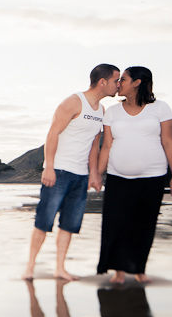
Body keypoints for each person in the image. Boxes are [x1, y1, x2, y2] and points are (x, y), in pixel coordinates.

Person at [23, 64, 120, 281]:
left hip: (80, 177)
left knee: (70, 223)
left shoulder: (101, 111)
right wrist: (48, 166)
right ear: (102, 82)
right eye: (116, 80)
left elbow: (94, 144)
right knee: (44, 221)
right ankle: (30, 267)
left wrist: (94, 173)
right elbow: (52, 133)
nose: (118, 84)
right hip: (58, 172)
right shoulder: (74, 102)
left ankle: (60, 268)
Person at [95, 66, 172, 284]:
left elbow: (169, 142)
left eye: (123, 79)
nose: (119, 83)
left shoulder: (160, 108)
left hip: (153, 176)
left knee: (144, 224)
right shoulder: (112, 112)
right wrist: (97, 174)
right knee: (115, 223)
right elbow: (106, 146)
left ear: (137, 82)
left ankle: (138, 268)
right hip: (117, 176)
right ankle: (119, 270)